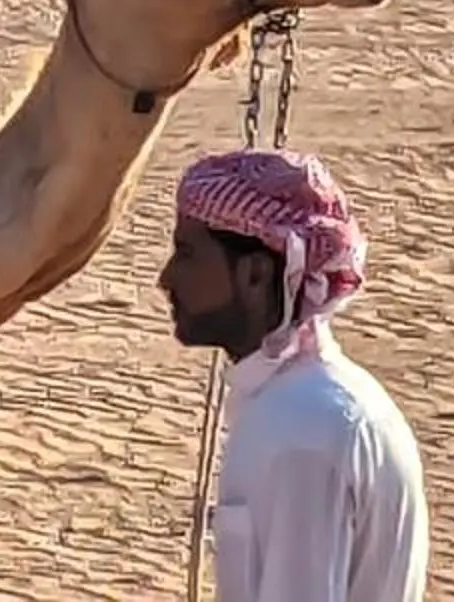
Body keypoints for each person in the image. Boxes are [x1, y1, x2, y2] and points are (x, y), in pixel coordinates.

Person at [163, 147, 429, 602]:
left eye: (187, 254)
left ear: (254, 275)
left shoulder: (303, 428)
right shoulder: (310, 399)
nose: (166, 278)